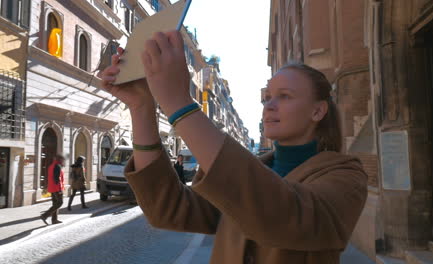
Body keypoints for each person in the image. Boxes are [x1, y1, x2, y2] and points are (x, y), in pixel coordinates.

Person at [99, 31, 368, 263]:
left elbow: (285, 215)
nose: (269, 106)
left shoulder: (346, 176)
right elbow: (166, 209)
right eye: (267, 98)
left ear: (317, 111)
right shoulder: (254, 169)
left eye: (284, 96)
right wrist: (142, 107)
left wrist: (178, 103)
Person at [40, 154, 65, 225]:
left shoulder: (51, 166)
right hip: (56, 188)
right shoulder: (57, 166)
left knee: (55, 203)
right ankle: (45, 215)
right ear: (59, 160)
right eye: (62, 159)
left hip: (52, 187)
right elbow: (57, 179)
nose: (63, 161)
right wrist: (60, 190)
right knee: (60, 203)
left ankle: (54, 219)